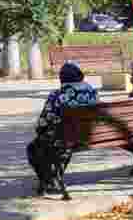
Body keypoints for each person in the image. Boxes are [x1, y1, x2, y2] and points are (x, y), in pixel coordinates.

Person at [26, 62, 97, 193]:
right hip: (87, 137)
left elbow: (43, 122)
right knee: (63, 145)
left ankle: (49, 180)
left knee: (33, 148)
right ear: (80, 76)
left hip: (62, 139)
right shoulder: (92, 92)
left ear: (62, 78)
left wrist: (40, 130)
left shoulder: (57, 95)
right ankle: (54, 178)